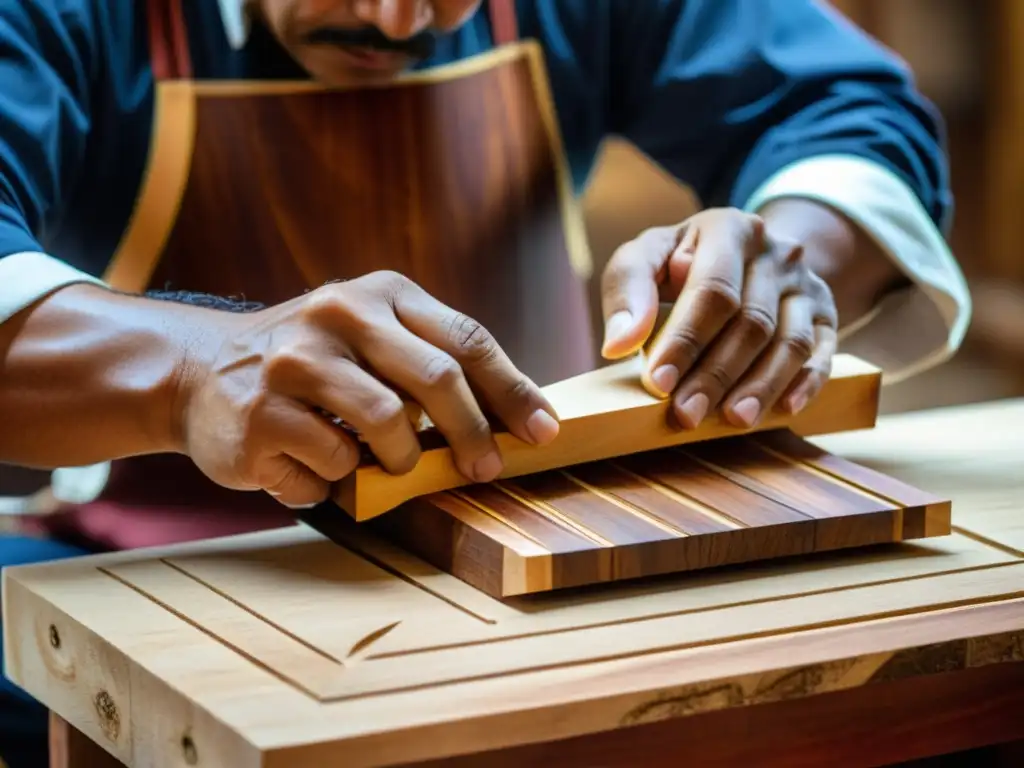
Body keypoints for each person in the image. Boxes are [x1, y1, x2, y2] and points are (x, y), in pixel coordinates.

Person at [0, 0, 969, 765]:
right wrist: (187, 370)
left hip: (538, 544)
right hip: (163, 562)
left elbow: (849, 112)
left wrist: (774, 271)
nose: (397, 18)